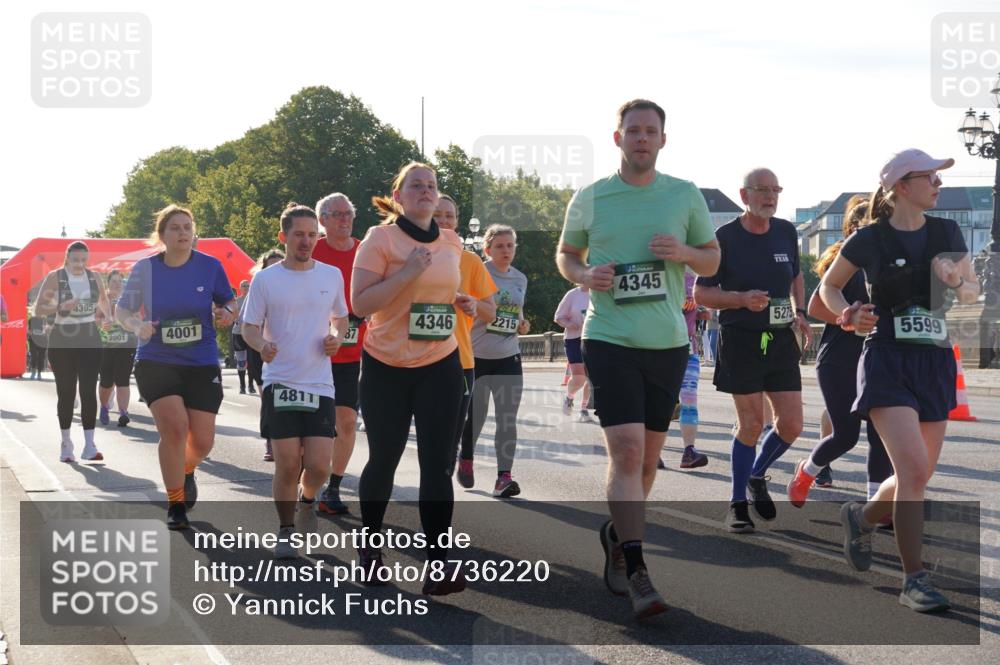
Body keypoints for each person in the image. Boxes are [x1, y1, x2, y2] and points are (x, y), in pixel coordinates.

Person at [557, 99, 720, 619]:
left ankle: (617, 535)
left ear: (663, 140)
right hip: (608, 338)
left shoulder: (684, 194)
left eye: (651, 131)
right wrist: (585, 276)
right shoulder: (591, 197)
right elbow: (567, 255)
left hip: (667, 343)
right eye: (633, 130)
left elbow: (712, 258)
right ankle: (637, 568)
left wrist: (685, 254)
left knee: (648, 461)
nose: (642, 138)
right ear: (618, 138)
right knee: (626, 454)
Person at [819, 149, 979, 613]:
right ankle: (915, 579)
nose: (939, 184)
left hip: (934, 360)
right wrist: (847, 313)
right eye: (931, 177)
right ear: (902, 186)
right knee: (912, 472)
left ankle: (862, 517)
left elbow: (973, 292)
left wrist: (955, 282)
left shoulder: (947, 233)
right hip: (887, 359)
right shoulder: (870, 238)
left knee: (919, 473)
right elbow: (828, 287)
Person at [352, 161, 476, 595]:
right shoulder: (380, 239)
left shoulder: (451, 241)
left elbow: (439, 290)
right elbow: (361, 305)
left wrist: (458, 299)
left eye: (431, 185)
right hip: (386, 365)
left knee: (437, 465)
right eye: (416, 185)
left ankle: (438, 565)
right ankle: (370, 551)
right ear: (399, 196)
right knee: (384, 459)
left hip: (440, 362)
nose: (425, 190)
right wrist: (407, 272)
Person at [694, 168, 812, 534]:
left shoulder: (786, 231)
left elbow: (796, 275)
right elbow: (701, 293)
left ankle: (756, 474)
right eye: (762, 190)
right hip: (741, 339)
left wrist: (801, 312)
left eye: (775, 189)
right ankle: (736, 504)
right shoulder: (724, 238)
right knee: (751, 424)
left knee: (792, 424)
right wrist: (741, 299)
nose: (770, 196)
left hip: (779, 338)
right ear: (745, 195)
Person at [117, 205, 237, 529]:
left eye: (187, 226)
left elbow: (229, 300)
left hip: (201, 361)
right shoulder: (145, 269)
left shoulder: (210, 266)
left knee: (203, 442)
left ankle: (186, 469)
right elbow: (122, 310)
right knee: (174, 428)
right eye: (175, 227)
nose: (183, 232)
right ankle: (175, 504)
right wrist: (137, 325)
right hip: (156, 359)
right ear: (162, 235)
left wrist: (227, 313)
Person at [242, 203, 348, 558]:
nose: (306, 241)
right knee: (288, 463)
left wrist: (336, 336)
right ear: (283, 237)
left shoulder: (331, 275)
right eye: (299, 234)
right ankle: (286, 530)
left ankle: (307, 500)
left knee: (318, 466)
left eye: (312, 235)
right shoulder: (266, 279)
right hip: (281, 381)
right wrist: (262, 345)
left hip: (319, 382)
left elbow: (341, 318)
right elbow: (249, 327)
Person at [788, 196, 893, 508]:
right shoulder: (843, 260)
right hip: (839, 359)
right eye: (870, 223)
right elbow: (816, 305)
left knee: (879, 435)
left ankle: (875, 506)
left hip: (876, 357)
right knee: (846, 436)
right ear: (855, 227)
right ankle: (805, 473)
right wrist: (848, 317)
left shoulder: (889, 261)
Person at [433, 194, 498, 489]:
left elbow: (491, 312)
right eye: (437, 215)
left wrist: (472, 301)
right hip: (412, 361)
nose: (443, 221)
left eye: (449, 216)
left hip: (459, 361)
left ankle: (437, 498)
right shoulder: (410, 254)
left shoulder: (470, 261)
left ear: (457, 221)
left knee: (447, 441)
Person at [461, 224, 530, 498]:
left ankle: (504, 477)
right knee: (475, 416)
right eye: (499, 246)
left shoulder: (520, 278)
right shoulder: (477, 272)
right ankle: (466, 458)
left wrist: (522, 324)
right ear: (487, 249)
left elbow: (517, 313)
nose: (506, 250)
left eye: (510, 245)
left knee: (507, 419)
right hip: (476, 356)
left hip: (508, 356)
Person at [311, 193, 369, 514]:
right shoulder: (312, 250)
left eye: (349, 213)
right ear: (323, 220)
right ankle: (309, 479)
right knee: (315, 427)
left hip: (353, 354)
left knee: (346, 421)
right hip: (312, 353)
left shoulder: (365, 251)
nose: (345, 219)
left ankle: (333, 488)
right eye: (337, 214)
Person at [31, 241, 111, 462]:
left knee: (88, 391)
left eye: (83, 260)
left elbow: (103, 301)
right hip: (62, 339)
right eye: (75, 260)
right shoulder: (55, 277)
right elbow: (38, 309)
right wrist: (60, 307)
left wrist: (107, 317)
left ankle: (89, 445)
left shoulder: (94, 277)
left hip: (89, 337)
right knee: (66, 392)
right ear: (67, 258)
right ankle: (66, 444)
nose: (79, 264)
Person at [658, 271, 710, 470]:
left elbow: (700, 305)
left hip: (689, 348)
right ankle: (653, 452)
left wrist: (701, 312)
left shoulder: (695, 279)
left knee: (689, 399)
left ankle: (689, 451)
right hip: (660, 348)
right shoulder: (658, 274)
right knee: (659, 401)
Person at [243, 249, 285, 462]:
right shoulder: (258, 286)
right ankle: (271, 440)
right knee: (268, 397)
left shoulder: (296, 285)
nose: (276, 269)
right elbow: (246, 323)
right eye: (271, 265)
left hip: (286, 349)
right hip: (260, 348)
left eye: (280, 264)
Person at [98, 271, 138, 427]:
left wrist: (131, 322)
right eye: (113, 281)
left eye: (119, 281)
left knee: (123, 380)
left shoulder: (130, 299)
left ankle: (123, 412)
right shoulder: (103, 299)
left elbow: (137, 318)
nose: (117, 284)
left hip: (127, 344)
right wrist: (102, 323)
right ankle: (104, 407)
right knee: (106, 381)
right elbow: (96, 318)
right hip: (106, 345)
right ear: (108, 283)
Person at [554, 283, 592, 421]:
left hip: (594, 338)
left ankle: (584, 409)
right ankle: (569, 397)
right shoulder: (573, 294)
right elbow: (559, 317)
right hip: (574, 339)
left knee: (591, 376)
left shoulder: (602, 293)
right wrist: (570, 324)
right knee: (579, 377)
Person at [231, 279, 252, 394]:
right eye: (244, 286)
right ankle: (242, 386)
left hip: (251, 334)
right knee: (241, 362)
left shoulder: (254, 300)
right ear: (240, 288)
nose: (246, 287)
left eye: (248, 285)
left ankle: (251, 385)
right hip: (238, 333)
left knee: (252, 361)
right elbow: (231, 314)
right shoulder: (236, 301)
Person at [27, 313, 49, 380]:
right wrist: (31, 332)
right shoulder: (31, 319)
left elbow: (47, 329)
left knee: (41, 357)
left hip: (42, 341)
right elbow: (29, 330)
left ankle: (39, 373)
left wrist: (46, 330)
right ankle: (33, 371)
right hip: (33, 341)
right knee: (34, 356)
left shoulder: (45, 320)